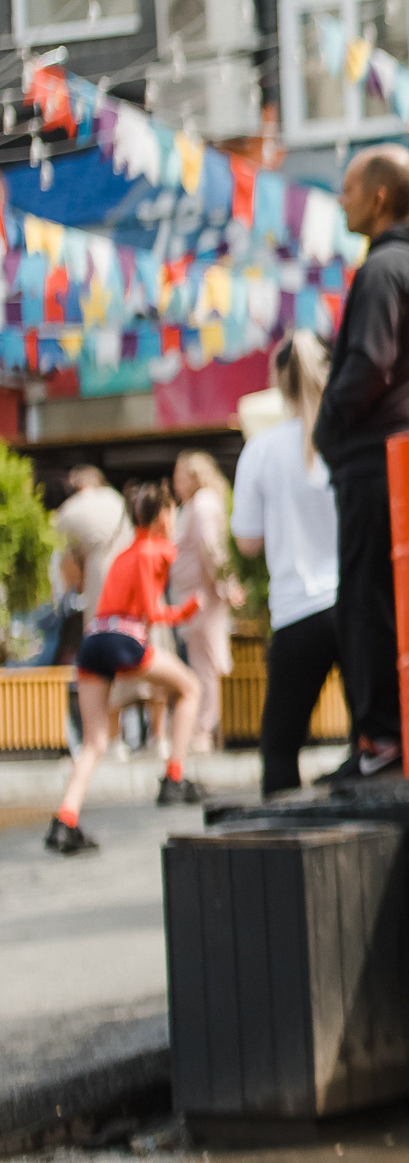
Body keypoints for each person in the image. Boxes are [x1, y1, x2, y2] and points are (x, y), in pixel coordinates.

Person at [312, 144, 409, 782]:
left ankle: (379, 740)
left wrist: (327, 425)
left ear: (377, 198)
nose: (340, 200)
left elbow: (367, 365)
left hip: (376, 458)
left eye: (347, 189)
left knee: (365, 600)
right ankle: (404, 734)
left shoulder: (384, 270)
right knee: (404, 601)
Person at [46, 482, 205, 854]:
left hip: (93, 641)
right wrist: (186, 610)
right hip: (124, 641)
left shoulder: (122, 553)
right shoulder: (152, 552)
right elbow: (152, 612)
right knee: (191, 688)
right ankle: (174, 777)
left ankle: (65, 820)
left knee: (95, 742)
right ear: (161, 515)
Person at [231, 332, 342, 797]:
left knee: (279, 747)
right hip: (352, 604)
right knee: (376, 742)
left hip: (296, 610)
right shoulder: (344, 437)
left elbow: (249, 541)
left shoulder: (261, 449)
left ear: (280, 382)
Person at [170, 451, 241, 755]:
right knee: (205, 664)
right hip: (197, 596)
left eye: (179, 475)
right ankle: (203, 729)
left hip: (201, 598)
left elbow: (211, 551)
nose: (175, 483)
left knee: (204, 665)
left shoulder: (201, 506)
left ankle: (203, 731)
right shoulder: (201, 505)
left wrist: (227, 587)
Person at [51, 466, 130, 619]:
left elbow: (67, 566)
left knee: (102, 627)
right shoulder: (116, 498)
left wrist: (76, 585)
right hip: (131, 569)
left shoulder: (71, 508)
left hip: (97, 576)